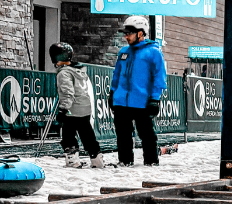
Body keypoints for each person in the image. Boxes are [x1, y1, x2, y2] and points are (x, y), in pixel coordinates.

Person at [109, 16, 167, 166]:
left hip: (142, 101)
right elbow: (117, 75)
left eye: (129, 33)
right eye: (125, 33)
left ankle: (151, 161)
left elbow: (159, 77)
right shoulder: (123, 52)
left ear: (141, 33)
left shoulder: (153, 52)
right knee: (123, 134)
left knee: (147, 134)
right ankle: (125, 160)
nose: (126, 36)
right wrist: (112, 92)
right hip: (121, 100)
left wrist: (155, 98)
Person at [50, 43, 103, 168]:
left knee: (68, 135)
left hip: (72, 110)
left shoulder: (64, 73)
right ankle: (97, 159)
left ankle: (72, 159)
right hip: (84, 108)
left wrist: (63, 109)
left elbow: (68, 92)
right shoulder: (79, 71)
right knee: (87, 134)